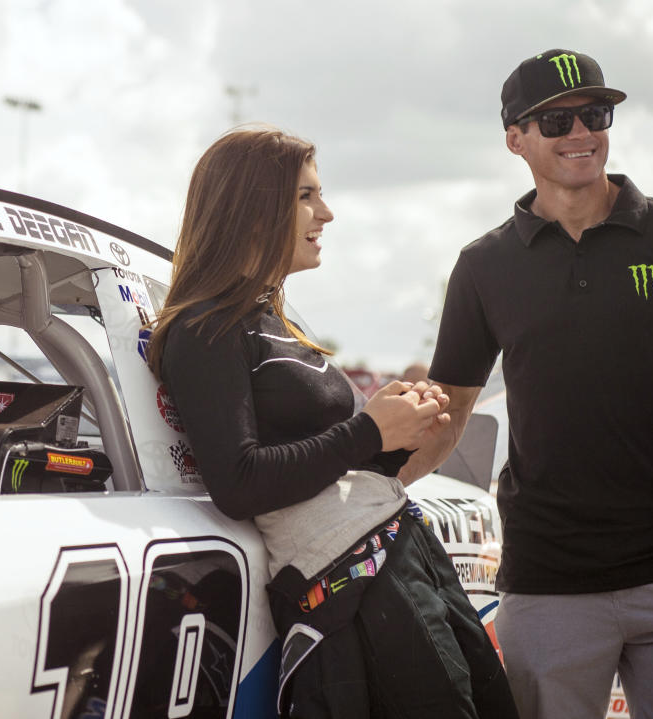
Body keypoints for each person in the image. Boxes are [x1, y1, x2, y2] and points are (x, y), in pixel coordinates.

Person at [400, 49, 653, 719]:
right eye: (557, 121)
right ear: (515, 138)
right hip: (548, 581)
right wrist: (372, 489)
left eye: (595, 114)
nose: (581, 134)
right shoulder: (484, 266)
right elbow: (448, 413)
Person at [148, 127, 518, 719]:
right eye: (305, 197)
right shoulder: (204, 328)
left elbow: (325, 460)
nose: (327, 212)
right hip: (349, 586)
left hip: (401, 549)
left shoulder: (274, 319)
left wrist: (400, 433)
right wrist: (370, 430)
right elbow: (239, 482)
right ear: (251, 210)